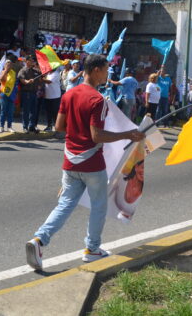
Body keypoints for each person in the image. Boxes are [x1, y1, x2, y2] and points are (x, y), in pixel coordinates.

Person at [25, 54, 144, 271]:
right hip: (91, 163)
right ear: (96, 70)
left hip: (70, 161)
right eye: (106, 69)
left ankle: (39, 240)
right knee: (99, 206)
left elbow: (60, 126)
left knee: (65, 205)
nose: (108, 74)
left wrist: (77, 130)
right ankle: (92, 249)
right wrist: (127, 134)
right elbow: (97, 136)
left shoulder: (69, 94)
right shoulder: (97, 100)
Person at [18, 55, 42, 133]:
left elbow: (42, 77)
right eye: (31, 61)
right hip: (26, 93)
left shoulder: (36, 71)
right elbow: (22, 80)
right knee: (26, 111)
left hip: (34, 93)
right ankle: (25, 127)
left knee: (34, 111)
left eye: (33, 61)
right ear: (27, 61)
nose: (33, 62)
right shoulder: (23, 70)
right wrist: (28, 81)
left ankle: (32, 126)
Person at [0, 60, 17, 133]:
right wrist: (6, 71)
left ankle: (9, 126)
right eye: (7, 64)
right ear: (4, 65)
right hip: (3, 93)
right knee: (3, 111)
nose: (9, 65)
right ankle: (1, 126)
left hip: (12, 94)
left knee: (10, 111)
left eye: (10, 64)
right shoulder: (2, 72)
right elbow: (1, 80)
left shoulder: (14, 73)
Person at [42, 66, 62, 132]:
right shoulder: (48, 74)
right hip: (48, 96)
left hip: (55, 96)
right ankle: (49, 126)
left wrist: (41, 79)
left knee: (55, 113)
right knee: (48, 112)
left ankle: (57, 127)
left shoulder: (56, 73)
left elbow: (49, 81)